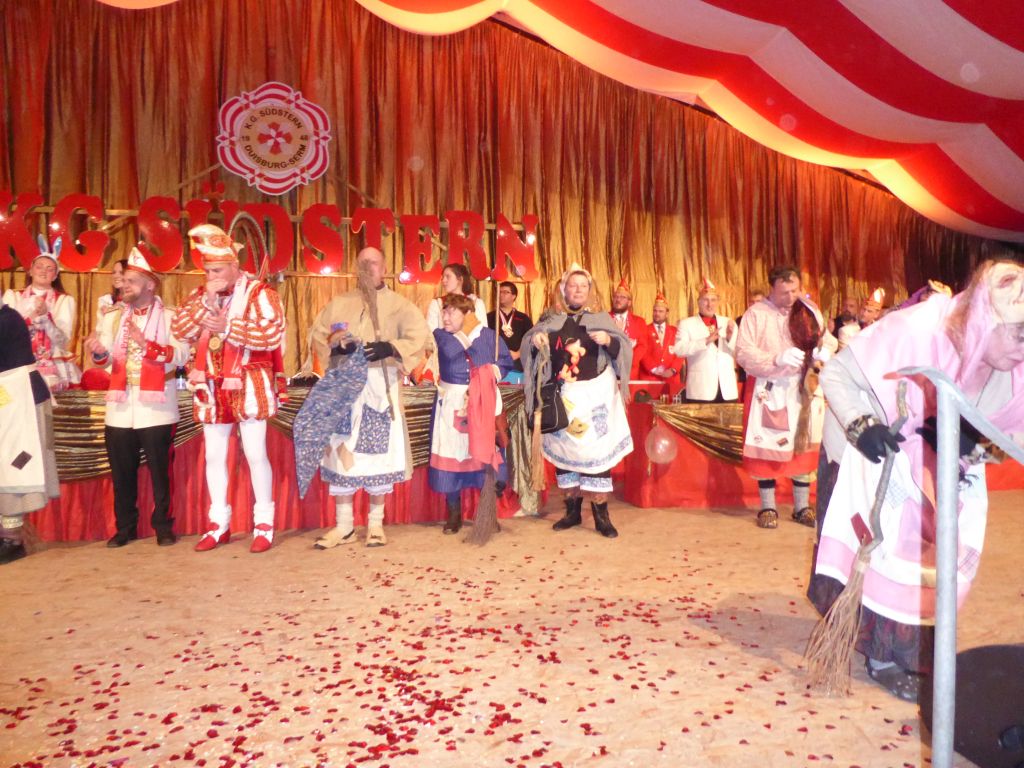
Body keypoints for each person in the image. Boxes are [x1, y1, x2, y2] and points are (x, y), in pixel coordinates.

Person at [808, 258, 1024, 702]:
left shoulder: (1013, 365)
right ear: (987, 319)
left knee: (920, 554)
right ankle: (881, 655)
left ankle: (897, 643)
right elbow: (836, 374)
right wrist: (863, 425)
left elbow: (1011, 434)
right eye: (1019, 332)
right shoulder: (918, 329)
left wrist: (976, 442)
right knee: (874, 547)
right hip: (865, 443)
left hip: (926, 462)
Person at [171, 224, 286, 553]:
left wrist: (229, 327)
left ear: (235, 266)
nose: (212, 277)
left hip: (249, 382)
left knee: (255, 454)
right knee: (214, 456)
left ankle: (264, 523)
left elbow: (272, 334)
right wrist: (206, 303)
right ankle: (218, 523)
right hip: (211, 383)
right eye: (207, 271)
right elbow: (180, 329)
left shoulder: (261, 293)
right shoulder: (200, 295)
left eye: (218, 270)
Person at [309, 246, 431, 549]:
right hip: (344, 390)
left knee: (378, 457)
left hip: (379, 390)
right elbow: (320, 334)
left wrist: (391, 347)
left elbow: (420, 337)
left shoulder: (400, 306)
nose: (368, 268)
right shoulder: (339, 304)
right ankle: (344, 526)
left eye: (373, 263)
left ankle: (375, 524)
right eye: (362, 263)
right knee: (342, 455)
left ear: (385, 268)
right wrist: (336, 346)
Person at [84, 248, 187, 548]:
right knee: (121, 472)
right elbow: (104, 359)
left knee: (160, 472)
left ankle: (163, 526)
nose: (124, 285)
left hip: (156, 406)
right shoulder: (113, 318)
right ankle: (125, 527)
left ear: (150, 284)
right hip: (119, 405)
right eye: (124, 281)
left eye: (131, 281)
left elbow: (181, 355)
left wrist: (148, 345)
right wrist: (98, 353)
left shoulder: (170, 317)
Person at [522, 264, 633, 538]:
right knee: (566, 456)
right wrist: (535, 341)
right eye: (573, 285)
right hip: (564, 398)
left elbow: (623, 348)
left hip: (596, 397)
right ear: (564, 290)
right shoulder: (550, 319)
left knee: (596, 456)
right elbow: (529, 347)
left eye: (583, 286)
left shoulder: (601, 318)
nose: (578, 290)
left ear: (590, 290)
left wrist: (609, 340)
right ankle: (571, 512)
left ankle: (601, 516)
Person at [736, 265, 836, 530]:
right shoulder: (756, 314)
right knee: (768, 449)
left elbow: (827, 339)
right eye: (784, 293)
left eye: (794, 290)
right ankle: (768, 507)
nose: (790, 297)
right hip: (771, 390)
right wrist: (776, 359)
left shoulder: (809, 310)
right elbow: (743, 353)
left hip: (804, 389)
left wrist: (825, 351)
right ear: (772, 289)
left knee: (802, 447)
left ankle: (802, 507)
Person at [430, 293, 514, 533]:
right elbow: (451, 352)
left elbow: (506, 362)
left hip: (483, 402)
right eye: (444, 312)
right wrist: (469, 330)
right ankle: (454, 513)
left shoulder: (489, 336)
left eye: (451, 312)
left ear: (467, 314)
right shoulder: (442, 335)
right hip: (452, 403)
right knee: (452, 455)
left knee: (485, 457)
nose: (445, 317)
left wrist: (491, 374)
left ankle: (487, 512)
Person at [0, 292, 60, 564]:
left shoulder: (7, 319)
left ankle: (12, 539)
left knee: (13, 463)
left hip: (19, 400)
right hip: (10, 398)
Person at [2, 236, 82, 392]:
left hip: (51, 366)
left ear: (55, 275)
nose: (44, 271)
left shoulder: (64, 300)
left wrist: (46, 318)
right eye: (39, 267)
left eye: (50, 269)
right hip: (16, 364)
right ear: (30, 271)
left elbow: (62, 341)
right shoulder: (13, 296)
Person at [672, 279, 738, 402]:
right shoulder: (686, 324)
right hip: (700, 390)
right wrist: (705, 341)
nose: (709, 304)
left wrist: (730, 339)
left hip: (727, 390)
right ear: (698, 302)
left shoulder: (728, 322)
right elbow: (679, 350)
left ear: (718, 302)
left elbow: (739, 353)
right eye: (705, 300)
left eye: (713, 300)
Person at [80, 258, 130, 391]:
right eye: (114, 272)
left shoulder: (137, 304)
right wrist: (92, 345)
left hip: (127, 358)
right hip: (106, 356)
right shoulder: (105, 301)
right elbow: (99, 329)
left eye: (121, 272)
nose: (116, 276)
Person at [639, 292, 685, 398]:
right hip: (650, 378)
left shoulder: (675, 331)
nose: (657, 314)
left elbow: (681, 352)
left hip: (671, 379)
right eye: (655, 311)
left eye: (660, 311)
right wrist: (654, 369)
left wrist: (672, 370)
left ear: (667, 313)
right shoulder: (644, 330)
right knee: (649, 407)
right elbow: (642, 352)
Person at [486, 281, 532, 384]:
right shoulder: (489, 317)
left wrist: (518, 353)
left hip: (517, 364)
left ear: (514, 296)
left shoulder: (523, 318)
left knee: (516, 391)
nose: (501, 294)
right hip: (495, 364)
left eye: (505, 292)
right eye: (499, 292)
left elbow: (530, 340)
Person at [608, 278, 649, 380]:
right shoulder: (604, 318)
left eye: (622, 297)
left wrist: (628, 361)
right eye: (616, 297)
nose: (618, 300)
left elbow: (642, 346)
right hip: (608, 371)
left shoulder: (639, 322)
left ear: (629, 302)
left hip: (630, 372)